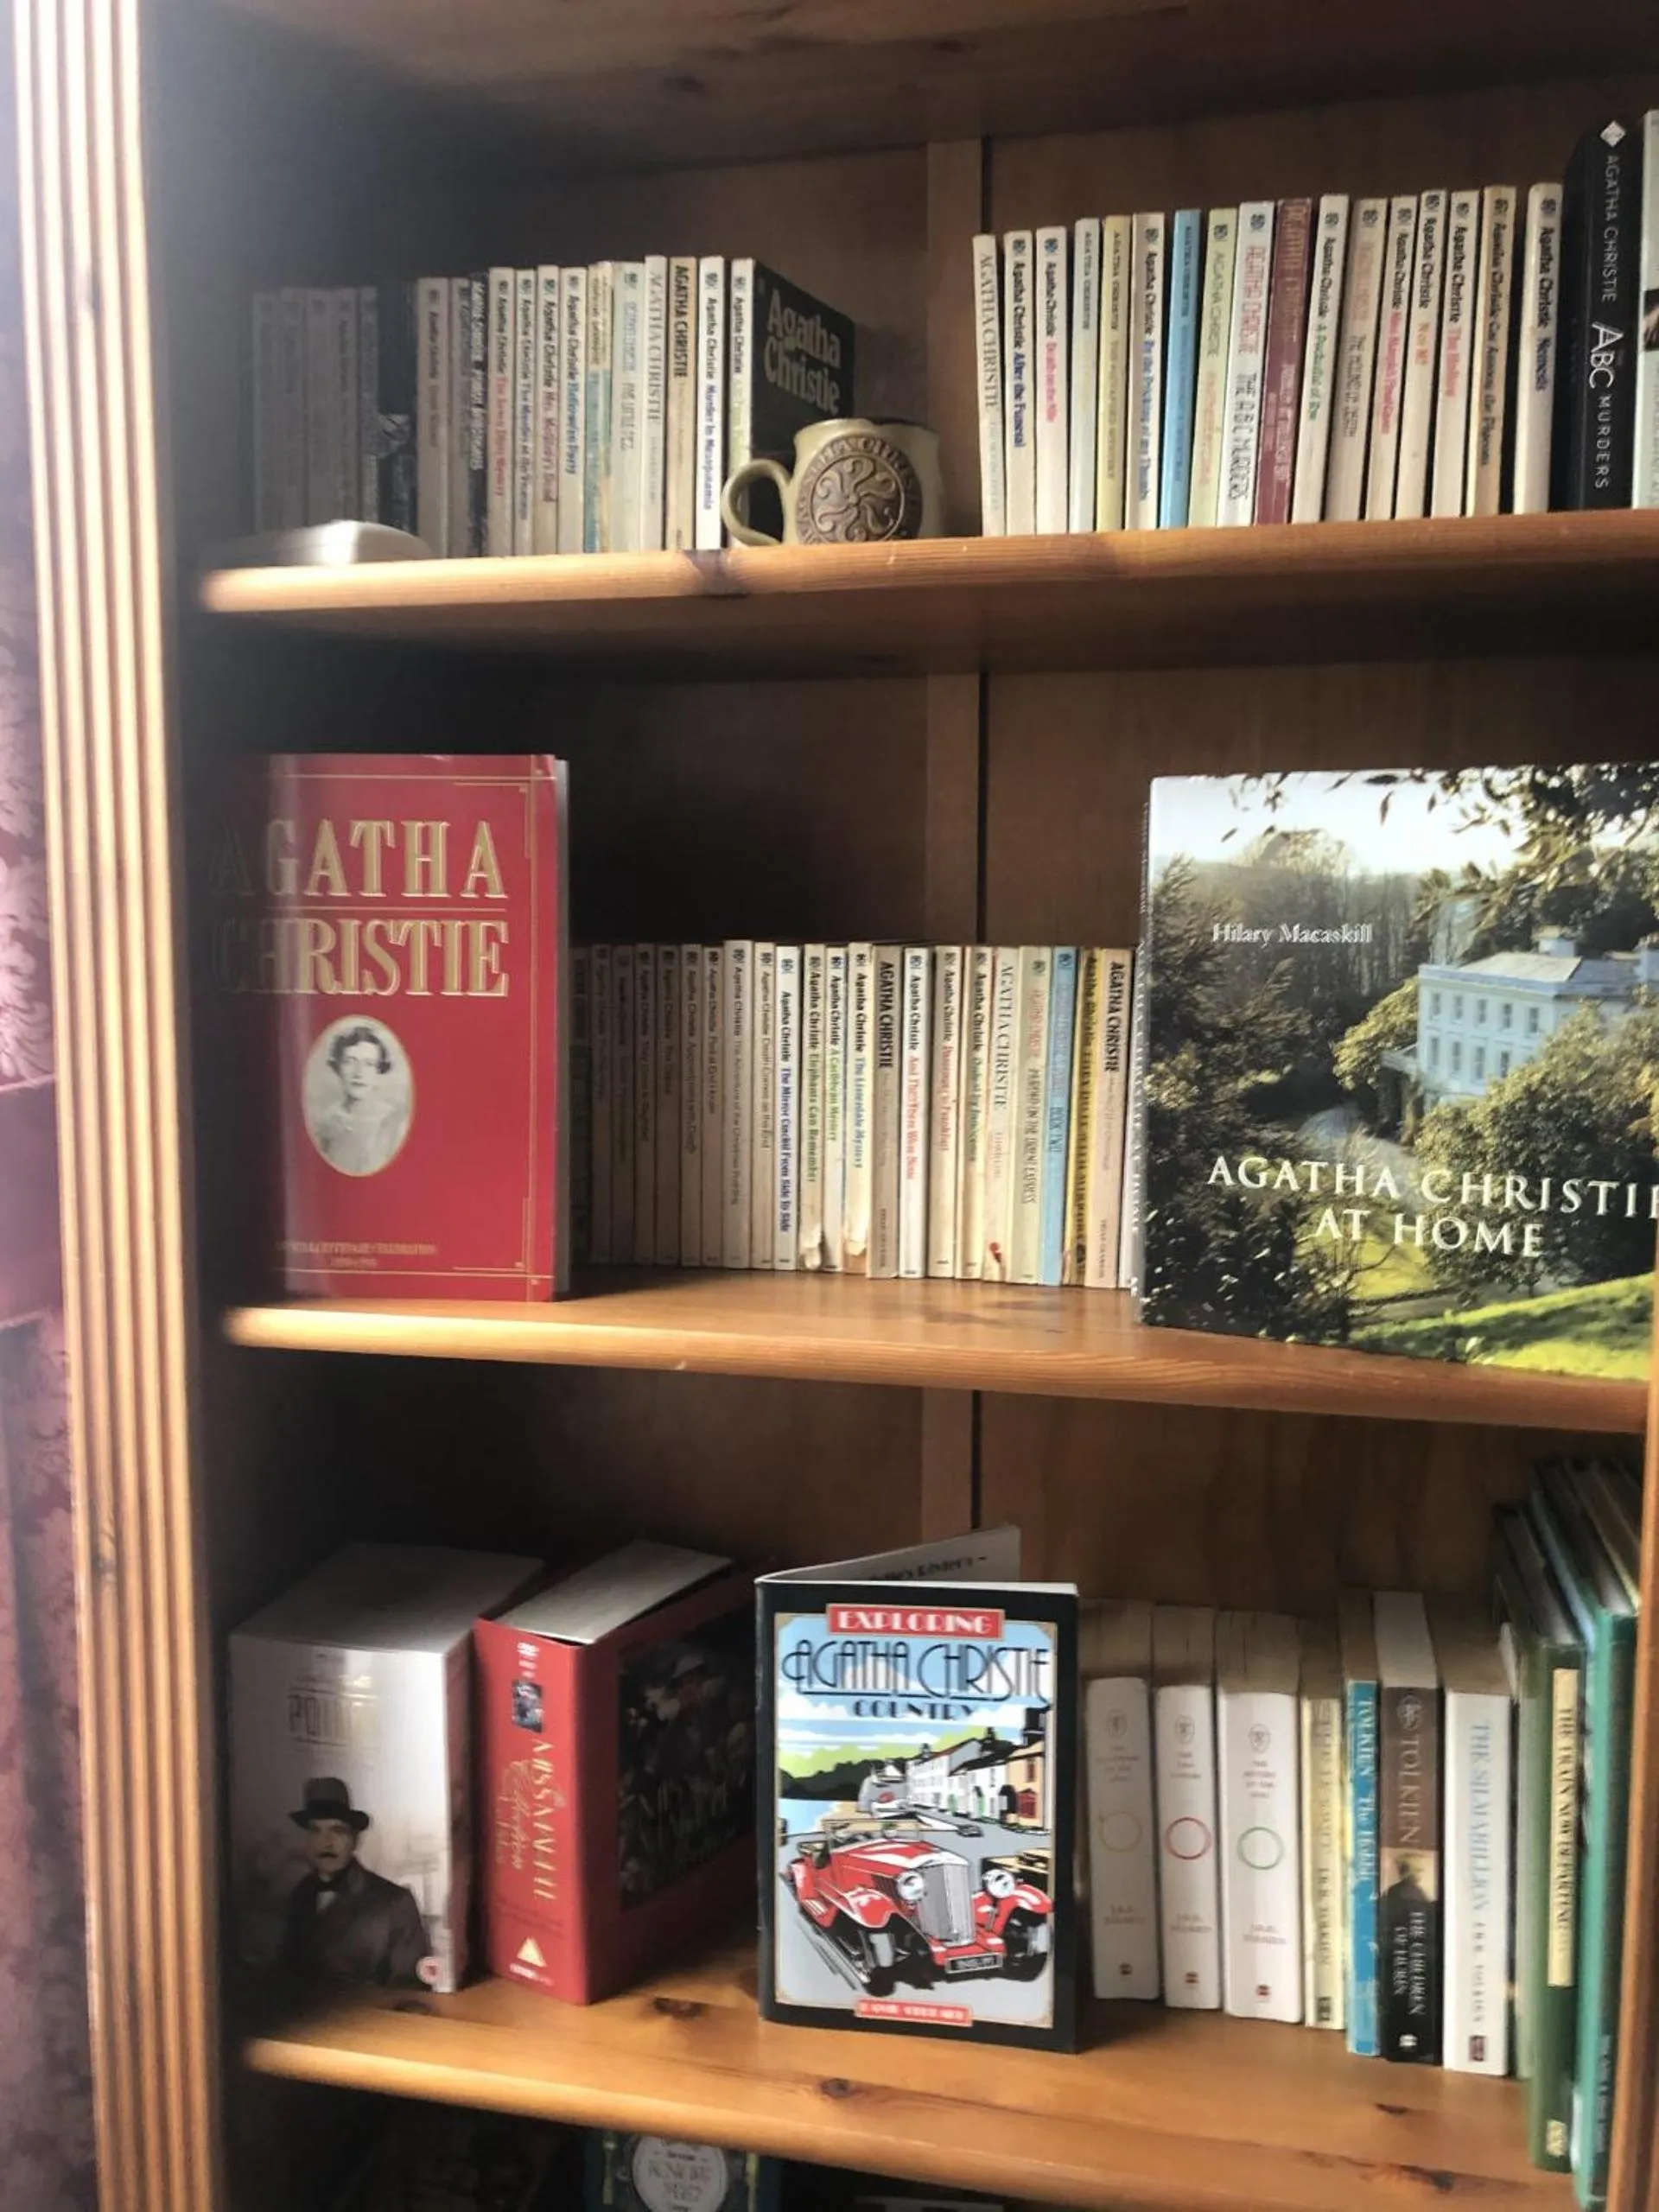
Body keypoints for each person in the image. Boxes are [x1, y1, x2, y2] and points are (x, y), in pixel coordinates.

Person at [279, 1777, 429, 1991]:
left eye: (337, 1830)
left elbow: (411, 1990)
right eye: (315, 1830)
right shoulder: (300, 1894)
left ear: (355, 1840)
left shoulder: (395, 1903)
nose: (326, 1842)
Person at [311, 1023, 406, 1176]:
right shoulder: (326, 1123)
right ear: (338, 1067)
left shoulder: (394, 1123)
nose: (359, 1073)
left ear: (378, 1071)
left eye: (369, 1064)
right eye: (349, 1061)